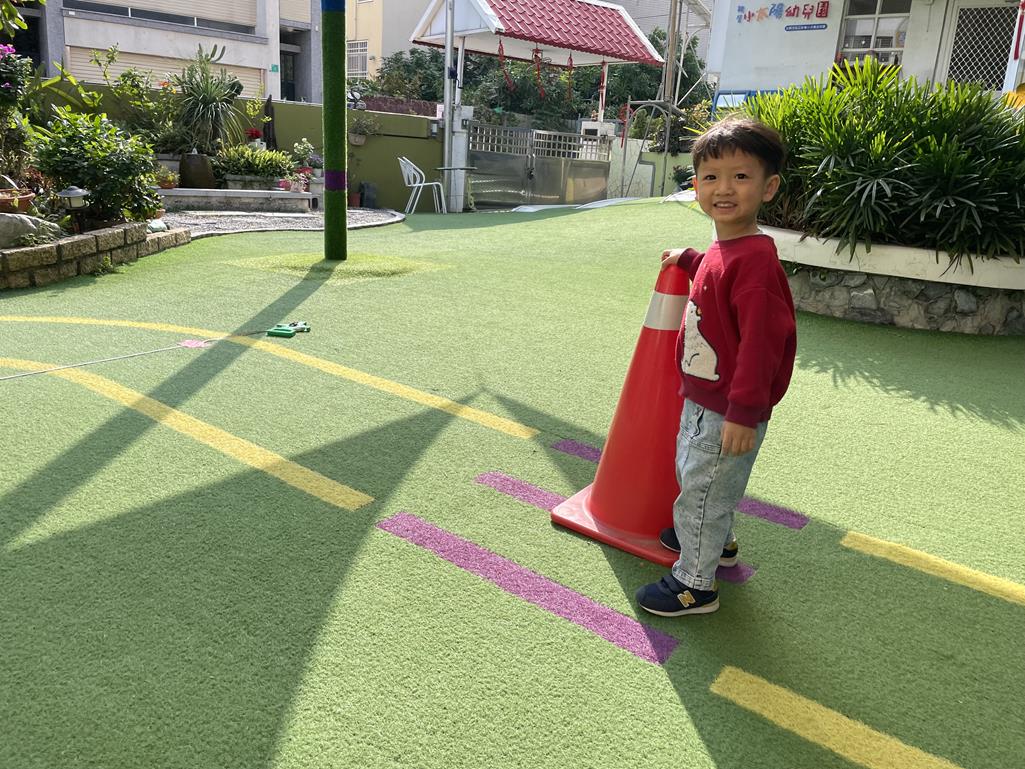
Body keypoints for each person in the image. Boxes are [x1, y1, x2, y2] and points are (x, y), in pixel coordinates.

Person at [635, 117, 797, 616]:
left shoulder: (756, 264)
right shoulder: (729, 248)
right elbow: (714, 271)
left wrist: (743, 413)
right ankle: (716, 542)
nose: (724, 189)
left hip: (727, 408)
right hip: (707, 398)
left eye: (741, 177)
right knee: (702, 481)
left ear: (768, 187)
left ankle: (695, 584)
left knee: (702, 490)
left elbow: (761, 346)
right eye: (711, 177)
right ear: (696, 185)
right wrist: (689, 259)